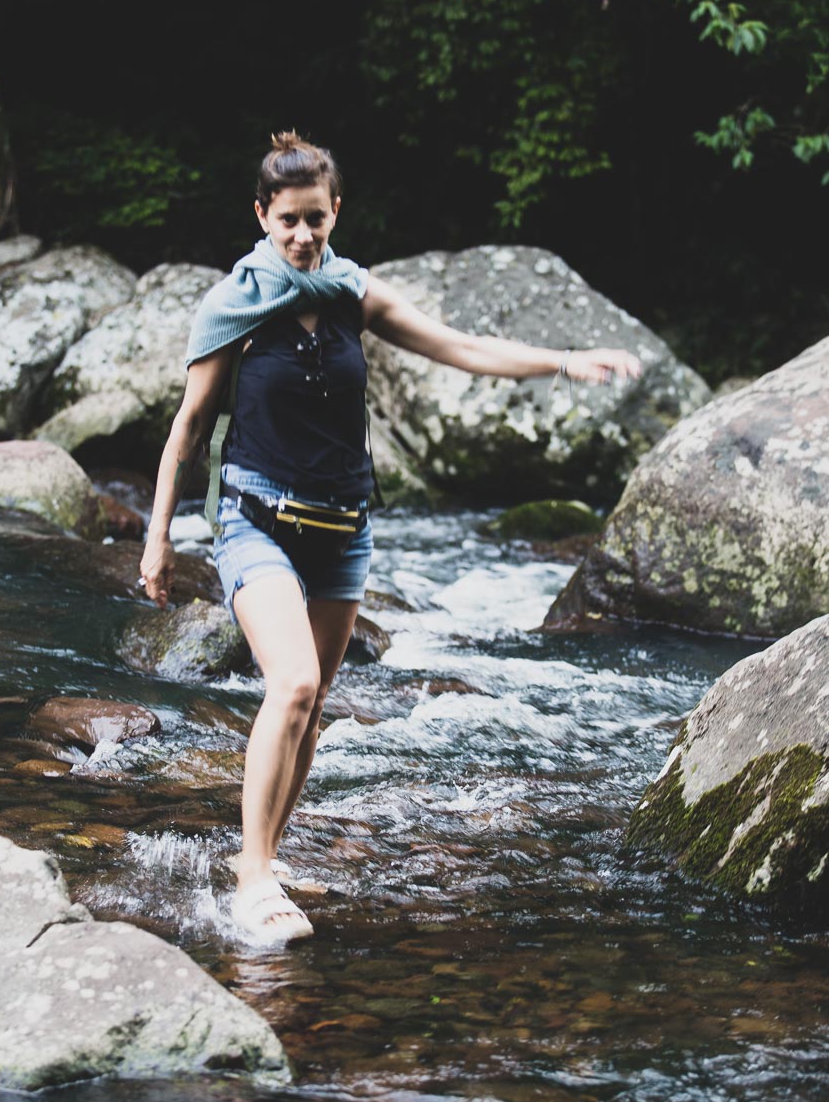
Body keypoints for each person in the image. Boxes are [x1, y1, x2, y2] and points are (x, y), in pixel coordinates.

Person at [139, 131, 641, 947]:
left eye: (316, 219)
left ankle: (260, 853)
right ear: (262, 216)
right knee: (293, 684)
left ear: (335, 211)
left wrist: (564, 359)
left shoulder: (353, 294)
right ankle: (257, 878)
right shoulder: (232, 305)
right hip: (254, 518)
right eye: (288, 220)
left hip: (342, 531)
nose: (303, 236)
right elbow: (187, 431)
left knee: (312, 709)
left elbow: (462, 348)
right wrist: (157, 539)